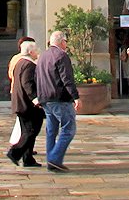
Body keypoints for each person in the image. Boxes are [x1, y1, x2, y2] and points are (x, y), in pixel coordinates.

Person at [36, 30, 80, 173]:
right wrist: (75, 96)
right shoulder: (61, 55)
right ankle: (54, 159)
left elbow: (38, 77)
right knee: (69, 128)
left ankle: (51, 160)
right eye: (66, 42)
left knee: (51, 130)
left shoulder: (43, 56)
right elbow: (67, 78)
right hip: (59, 98)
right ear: (62, 42)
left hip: (46, 98)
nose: (66, 44)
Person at [5, 39, 44, 168]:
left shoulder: (20, 63)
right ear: (31, 51)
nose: (37, 52)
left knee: (28, 130)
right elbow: (27, 83)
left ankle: (28, 158)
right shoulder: (28, 65)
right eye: (36, 50)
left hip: (21, 103)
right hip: (27, 104)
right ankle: (15, 152)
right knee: (31, 129)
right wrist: (35, 98)